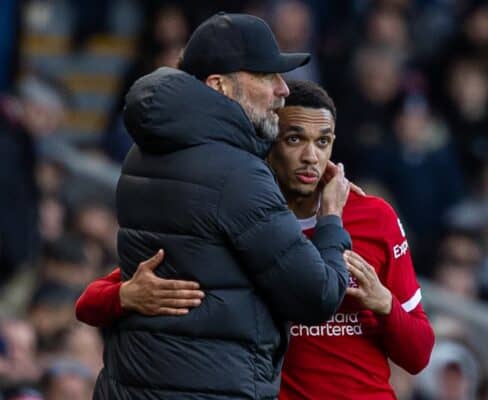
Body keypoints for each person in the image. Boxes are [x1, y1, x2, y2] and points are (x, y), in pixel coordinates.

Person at [77, 80, 434, 399]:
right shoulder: (240, 214)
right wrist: (125, 296)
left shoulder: (375, 218)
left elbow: (418, 355)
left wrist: (385, 304)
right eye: (294, 139)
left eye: (322, 141)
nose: (310, 156)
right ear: (269, 144)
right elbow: (89, 303)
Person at [92, 13, 353, 400]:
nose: (283, 90)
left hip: (132, 384)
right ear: (219, 86)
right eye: (266, 77)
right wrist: (331, 217)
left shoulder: (141, 152)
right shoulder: (236, 174)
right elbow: (317, 295)